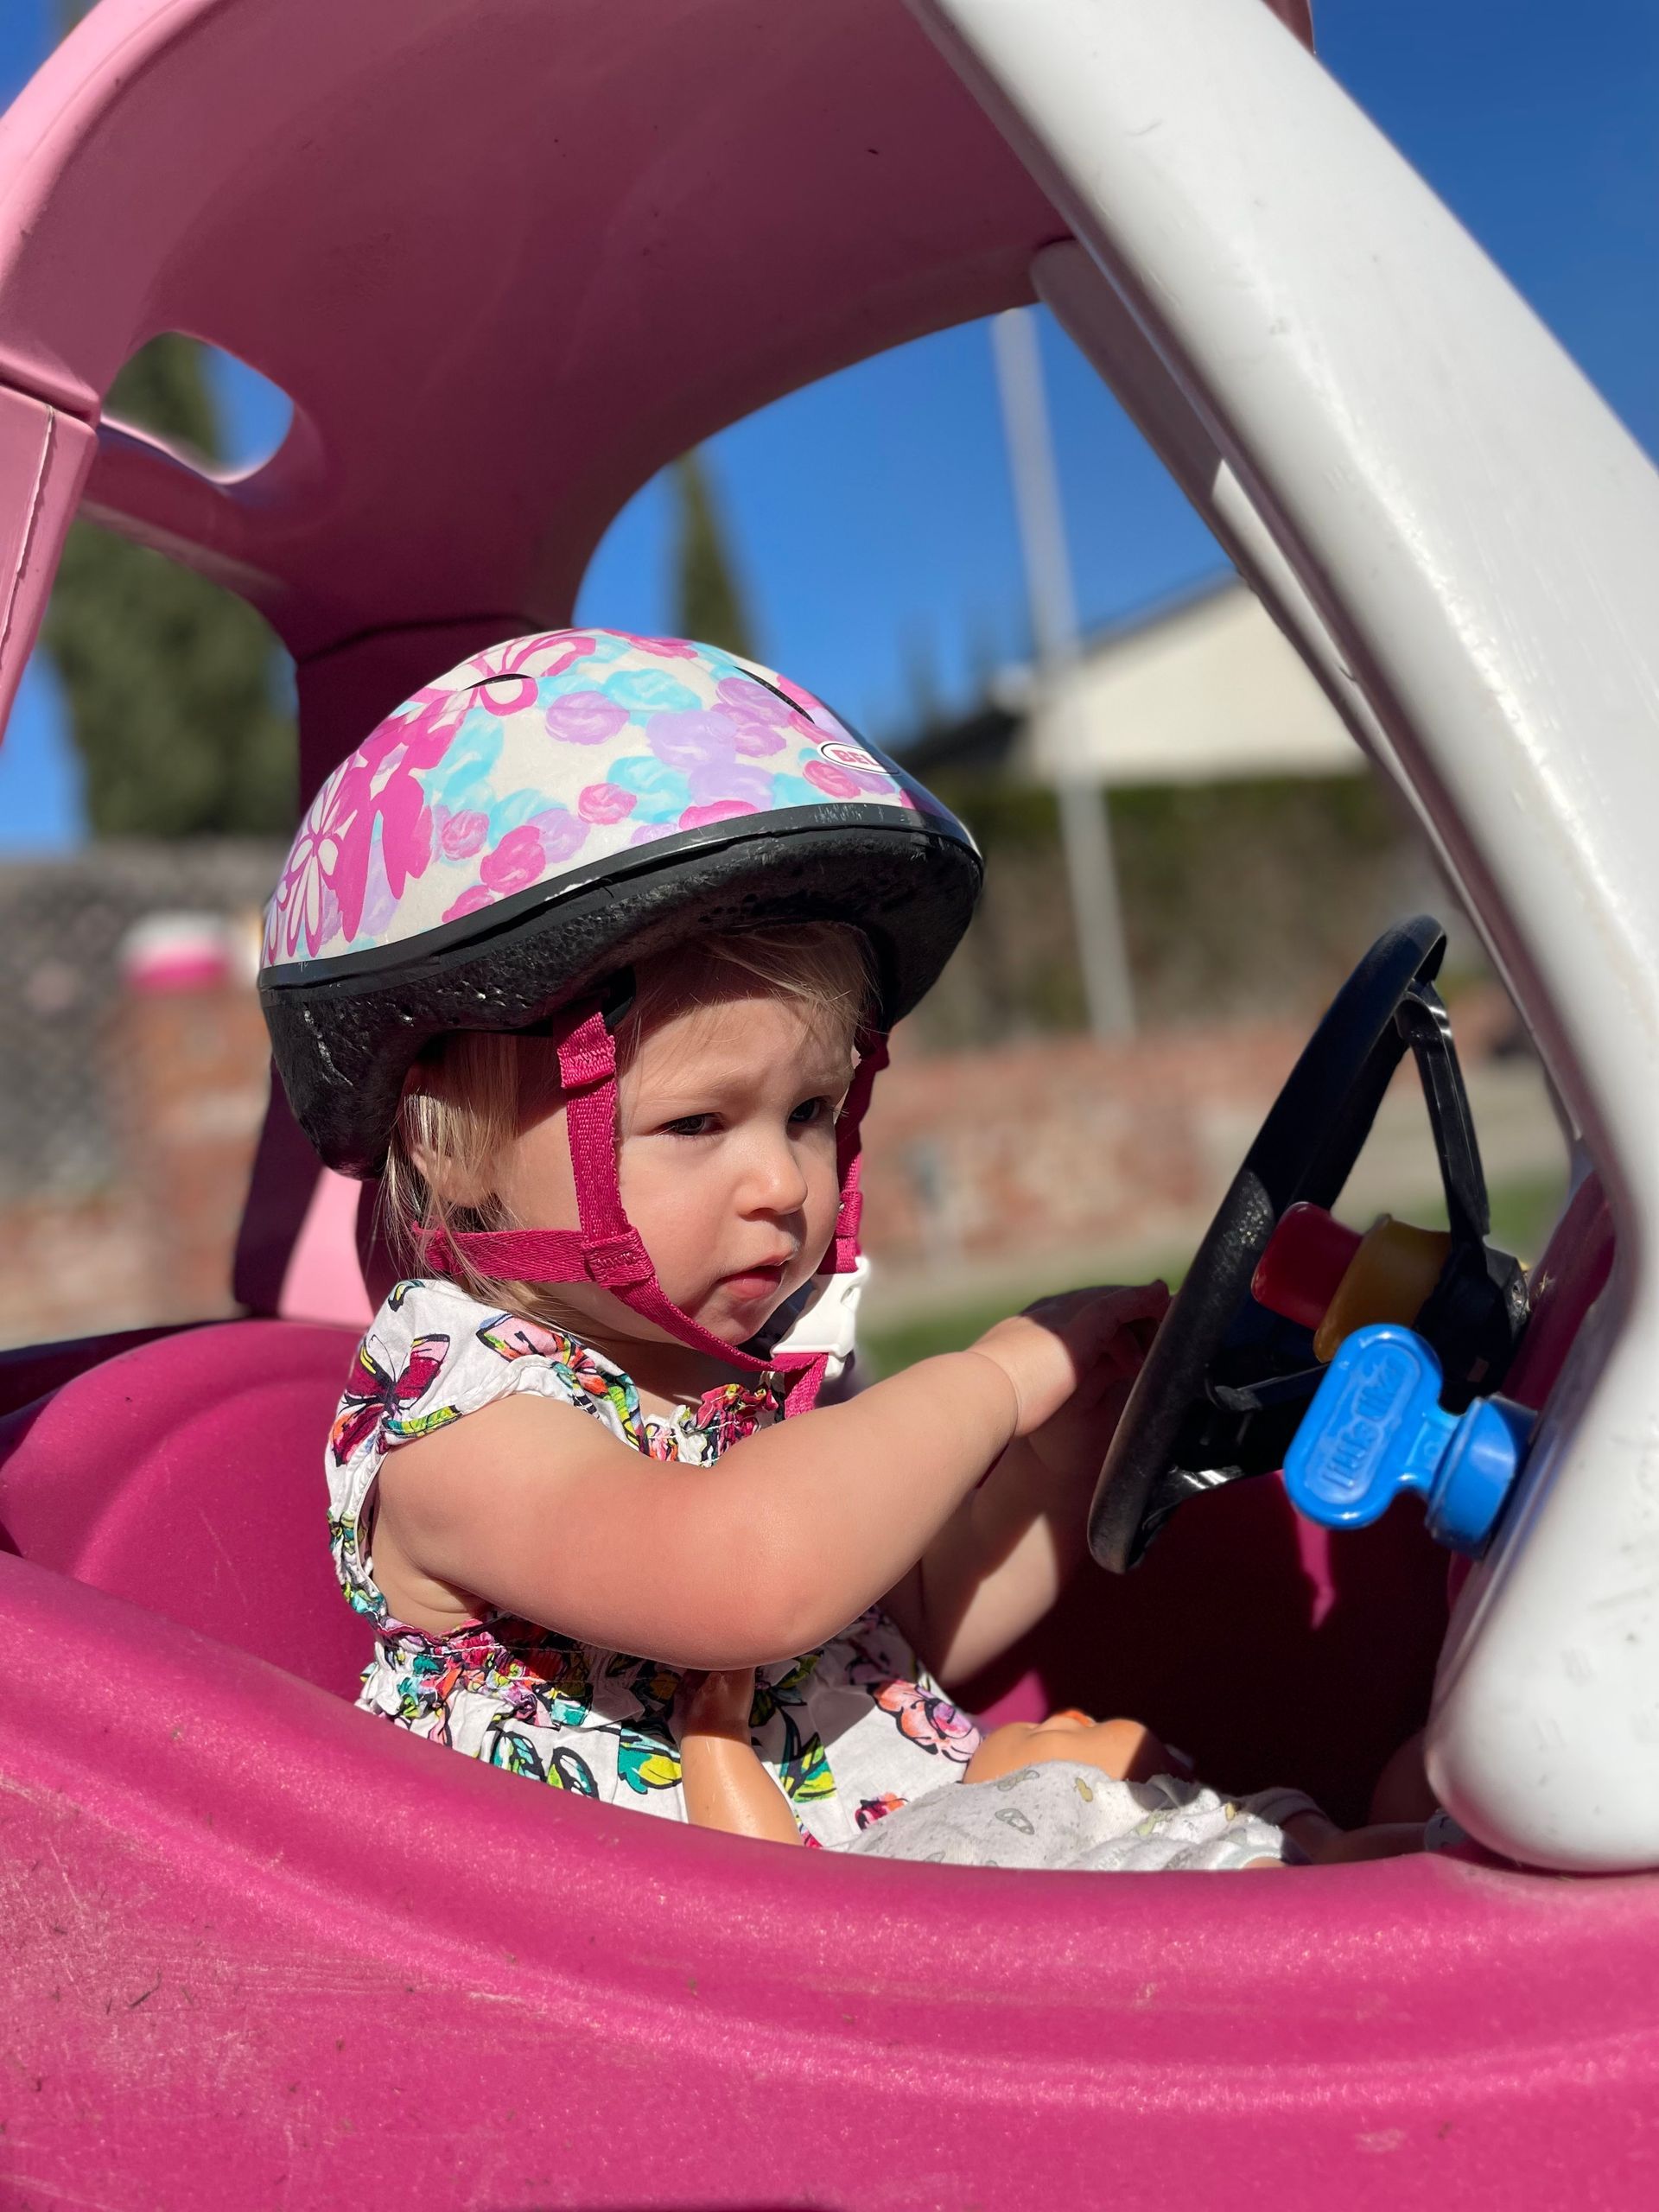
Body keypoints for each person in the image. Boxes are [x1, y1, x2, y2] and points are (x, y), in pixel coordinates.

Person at [260, 626, 1430, 1871]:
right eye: (698, 1123)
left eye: (810, 1114)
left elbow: (901, 1625)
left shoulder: (741, 1371)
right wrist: (991, 1382)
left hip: (880, 1901)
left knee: (1334, 1823)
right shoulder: (463, 1412)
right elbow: (752, 1578)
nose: (780, 1182)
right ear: (453, 1147)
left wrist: (1057, 1454)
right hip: (685, 1987)